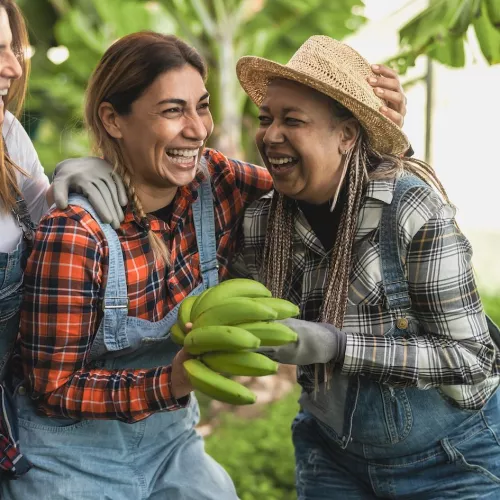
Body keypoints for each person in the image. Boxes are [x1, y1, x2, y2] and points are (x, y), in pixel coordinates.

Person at [232, 35, 500, 499]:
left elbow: (473, 356)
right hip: (332, 453)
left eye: (292, 120)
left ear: (346, 136)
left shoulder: (409, 211)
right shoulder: (262, 221)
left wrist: (338, 346)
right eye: (266, 118)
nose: (271, 134)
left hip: (453, 458)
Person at [0, 0, 130, 479]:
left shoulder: (7, 138)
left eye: (14, 50)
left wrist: (71, 174)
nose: (13, 68)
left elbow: (58, 222)